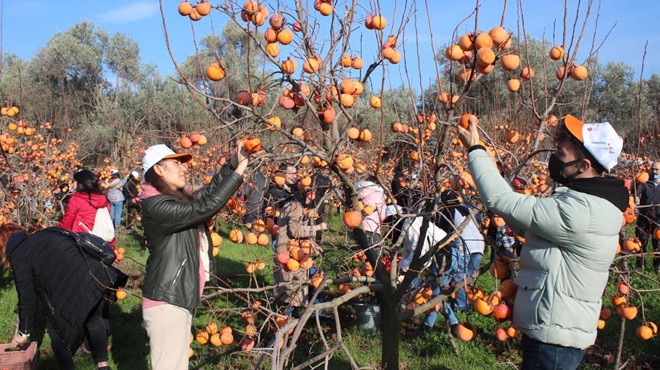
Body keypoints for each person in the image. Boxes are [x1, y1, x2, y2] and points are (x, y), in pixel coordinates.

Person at [458, 114, 628, 370]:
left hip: (554, 342)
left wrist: (475, 149)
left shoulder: (580, 212)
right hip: (556, 330)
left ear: (583, 166)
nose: (554, 157)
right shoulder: (588, 204)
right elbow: (520, 217)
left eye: (561, 153)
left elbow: (501, 201)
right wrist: (493, 168)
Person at [139, 143, 248, 370]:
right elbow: (205, 207)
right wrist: (238, 174)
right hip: (166, 302)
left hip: (175, 298)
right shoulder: (157, 206)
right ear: (158, 170)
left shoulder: (171, 201)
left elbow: (205, 196)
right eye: (176, 163)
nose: (183, 168)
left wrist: (231, 165)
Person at [1, 223, 126, 370]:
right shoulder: (47, 232)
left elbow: (27, 297)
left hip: (70, 283)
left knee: (56, 330)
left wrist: (23, 332)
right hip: (93, 274)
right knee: (93, 317)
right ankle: (103, 365)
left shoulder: (19, 255)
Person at [274, 184, 327, 312]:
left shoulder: (294, 206)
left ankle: (313, 312)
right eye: (311, 194)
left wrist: (313, 245)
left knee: (301, 282)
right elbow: (295, 231)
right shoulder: (295, 207)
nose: (312, 198)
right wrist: (317, 228)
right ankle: (288, 322)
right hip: (290, 252)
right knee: (291, 290)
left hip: (293, 250)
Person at [59, 169, 114, 245]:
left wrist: (61, 233)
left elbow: (68, 219)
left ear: (80, 183)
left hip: (81, 239)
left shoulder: (77, 199)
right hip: (101, 241)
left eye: (74, 181)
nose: (72, 184)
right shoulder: (102, 199)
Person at [635, 161, 660, 271]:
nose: (654, 172)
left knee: (658, 244)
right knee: (641, 242)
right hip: (644, 217)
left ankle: (657, 266)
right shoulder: (645, 182)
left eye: (657, 170)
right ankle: (640, 266)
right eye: (653, 169)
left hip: (658, 219)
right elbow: (636, 193)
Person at [356, 175, 389, 251]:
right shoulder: (378, 195)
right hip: (371, 228)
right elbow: (383, 216)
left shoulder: (358, 193)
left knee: (362, 254)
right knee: (374, 254)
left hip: (358, 225)